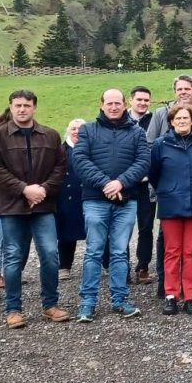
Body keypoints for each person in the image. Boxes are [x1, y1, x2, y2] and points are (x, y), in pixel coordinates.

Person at [0, 90, 70, 329]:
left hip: (43, 206)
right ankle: (13, 309)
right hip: (12, 206)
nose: (22, 109)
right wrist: (24, 190)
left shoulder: (50, 135)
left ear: (34, 107)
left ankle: (50, 305)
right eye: (17, 105)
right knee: (13, 258)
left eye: (26, 105)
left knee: (50, 255)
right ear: (11, 107)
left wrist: (43, 190)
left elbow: (60, 167)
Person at [71, 89, 151, 323]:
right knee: (94, 251)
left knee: (119, 252)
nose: (114, 107)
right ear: (102, 104)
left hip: (126, 201)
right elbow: (80, 160)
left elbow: (144, 161)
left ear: (124, 104)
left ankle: (120, 299)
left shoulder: (137, 133)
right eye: (110, 103)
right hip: (96, 200)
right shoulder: (87, 130)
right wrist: (106, 183)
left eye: (118, 103)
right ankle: (87, 303)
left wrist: (121, 182)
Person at [149, 104, 192, 315]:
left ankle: (191, 295)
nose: (182, 121)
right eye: (178, 118)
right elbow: (154, 173)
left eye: (186, 118)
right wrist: (169, 189)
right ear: (171, 121)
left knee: (191, 252)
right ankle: (171, 294)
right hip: (170, 203)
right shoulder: (160, 144)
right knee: (172, 252)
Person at [127, 86, 155, 284]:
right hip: (125, 184)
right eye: (140, 100)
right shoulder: (120, 121)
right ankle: (121, 267)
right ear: (131, 100)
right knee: (123, 227)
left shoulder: (154, 121)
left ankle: (142, 267)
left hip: (147, 184)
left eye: (146, 100)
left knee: (146, 227)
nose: (143, 103)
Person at [56, 118, 88, 281]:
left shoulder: (92, 148)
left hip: (89, 196)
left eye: (80, 129)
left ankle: (106, 263)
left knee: (98, 232)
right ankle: (64, 266)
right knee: (66, 233)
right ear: (68, 130)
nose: (77, 132)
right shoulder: (60, 150)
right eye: (73, 128)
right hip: (66, 198)